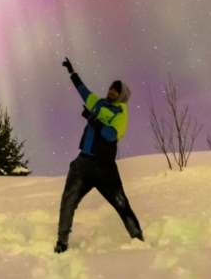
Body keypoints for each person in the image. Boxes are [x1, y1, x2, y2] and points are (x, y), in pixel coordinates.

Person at [55, 57, 144, 253]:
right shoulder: (98, 103)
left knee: (121, 203)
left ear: (122, 96)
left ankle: (138, 239)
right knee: (68, 200)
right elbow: (83, 91)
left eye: (116, 90)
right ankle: (61, 243)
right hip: (82, 163)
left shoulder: (120, 112)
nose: (112, 91)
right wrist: (72, 72)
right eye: (111, 88)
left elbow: (111, 135)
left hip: (104, 167)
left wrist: (92, 118)